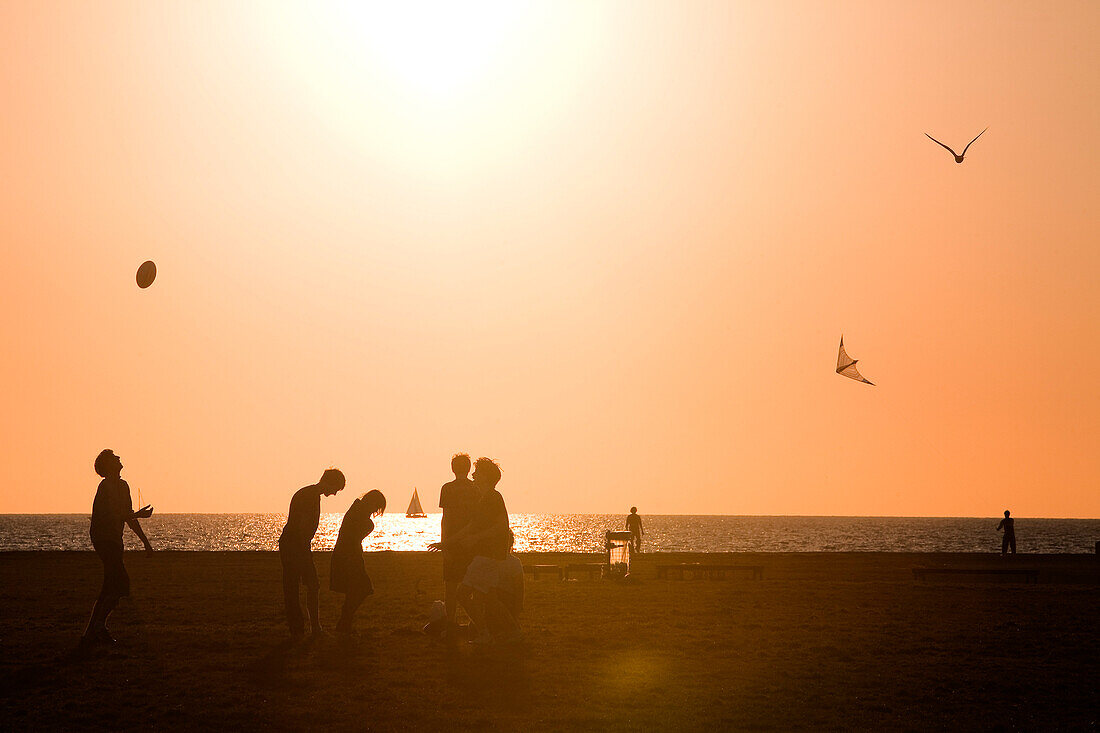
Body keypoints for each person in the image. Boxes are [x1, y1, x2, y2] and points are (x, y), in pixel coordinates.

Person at [429, 457, 518, 645]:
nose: (473, 474)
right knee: (488, 597)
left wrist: (476, 538)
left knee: (462, 594)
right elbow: (469, 527)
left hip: (487, 556)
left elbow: (501, 526)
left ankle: (485, 632)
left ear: (485, 477)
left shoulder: (493, 496)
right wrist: (445, 544)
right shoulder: (484, 498)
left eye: (477, 472)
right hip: (486, 555)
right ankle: (511, 631)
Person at [82, 449, 153, 647]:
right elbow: (117, 515)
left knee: (109, 587)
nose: (119, 458)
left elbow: (127, 516)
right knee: (120, 584)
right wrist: (137, 515)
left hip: (114, 539)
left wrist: (145, 542)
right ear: (108, 465)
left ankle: (92, 632)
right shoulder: (106, 487)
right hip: (104, 539)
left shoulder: (123, 486)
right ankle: (98, 627)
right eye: (114, 457)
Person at [279, 468, 345, 637]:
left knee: (304, 586)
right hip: (295, 546)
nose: (335, 494)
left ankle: (308, 628)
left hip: (297, 545)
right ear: (329, 482)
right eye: (336, 489)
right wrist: (303, 549)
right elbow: (301, 525)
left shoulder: (311, 495)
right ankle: (304, 628)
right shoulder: (308, 496)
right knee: (298, 586)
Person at [331, 489, 386, 635]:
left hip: (348, 555)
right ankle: (344, 621)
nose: (375, 510)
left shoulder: (357, 510)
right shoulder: (360, 514)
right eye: (376, 507)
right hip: (349, 556)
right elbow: (355, 536)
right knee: (361, 588)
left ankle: (345, 622)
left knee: (356, 589)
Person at [437, 453, 477, 631]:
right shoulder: (476, 488)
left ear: (453, 469)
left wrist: (444, 543)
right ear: (468, 469)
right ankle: (474, 622)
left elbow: (446, 518)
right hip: (472, 542)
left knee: (451, 586)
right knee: (474, 585)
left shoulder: (447, 488)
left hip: (452, 542)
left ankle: (451, 623)